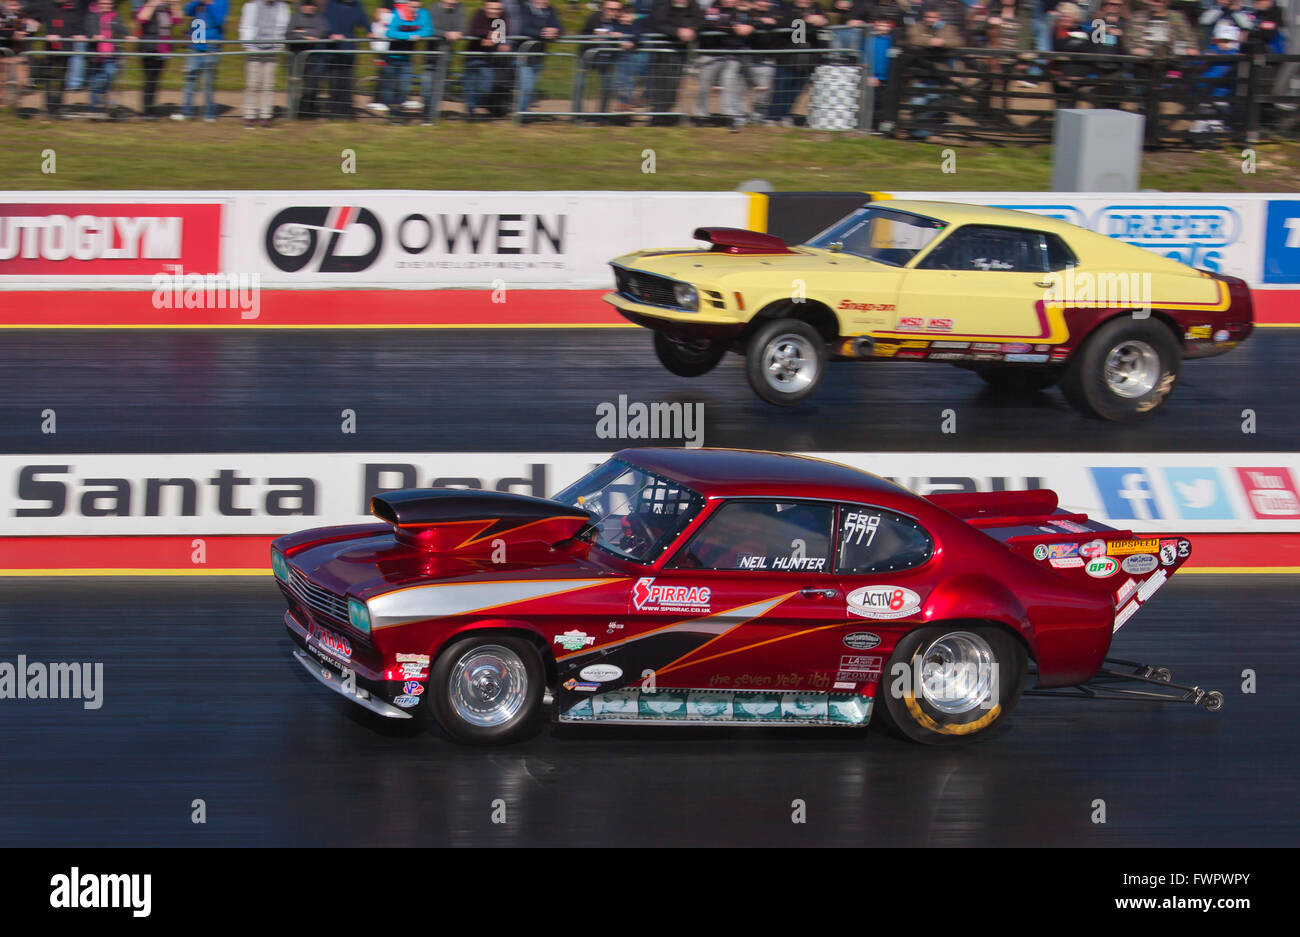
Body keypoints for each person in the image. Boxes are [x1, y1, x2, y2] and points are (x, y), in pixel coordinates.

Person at [647, 0, 700, 124]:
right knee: (659, 85)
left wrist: (693, 29)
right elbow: (657, 23)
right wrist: (677, 31)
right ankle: (657, 116)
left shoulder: (693, 5)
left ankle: (666, 114)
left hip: (679, 52)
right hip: (661, 51)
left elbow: (700, 20)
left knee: (672, 85)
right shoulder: (661, 4)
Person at [239, 0, 288, 126]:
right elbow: (245, 26)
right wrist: (247, 45)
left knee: (268, 85)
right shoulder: (251, 6)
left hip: (272, 49)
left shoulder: (282, 7)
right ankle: (249, 115)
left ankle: (265, 116)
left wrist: (278, 46)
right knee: (252, 84)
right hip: (254, 49)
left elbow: (283, 28)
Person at [174, 0, 226, 121]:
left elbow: (219, 20)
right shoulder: (198, 2)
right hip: (195, 45)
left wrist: (209, 4)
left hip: (211, 46)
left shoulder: (222, 2)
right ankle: (187, 112)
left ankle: (209, 115)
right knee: (190, 79)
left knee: (208, 82)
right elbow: (187, 11)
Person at [380, 0, 433, 111]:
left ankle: (398, 111)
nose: (414, 10)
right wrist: (410, 36)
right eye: (412, 6)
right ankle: (391, 112)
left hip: (407, 58)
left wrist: (416, 34)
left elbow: (428, 30)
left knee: (404, 88)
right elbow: (389, 32)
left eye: (417, 6)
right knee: (389, 87)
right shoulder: (398, 12)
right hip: (392, 56)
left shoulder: (423, 13)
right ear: (407, 4)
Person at [463, 0, 512, 117]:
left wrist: (492, 39)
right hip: (473, 55)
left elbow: (505, 31)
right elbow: (473, 30)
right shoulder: (478, 14)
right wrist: (487, 35)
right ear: (485, 8)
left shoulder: (502, 16)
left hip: (488, 58)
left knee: (486, 86)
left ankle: (478, 103)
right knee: (470, 85)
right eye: (491, 9)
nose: (495, 12)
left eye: (497, 9)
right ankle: (470, 113)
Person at [322, 0, 368, 117]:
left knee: (347, 80)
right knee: (335, 81)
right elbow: (325, 22)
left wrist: (370, 30)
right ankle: (335, 110)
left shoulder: (357, 5)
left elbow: (363, 19)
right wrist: (331, 34)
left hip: (348, 49)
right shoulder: (331, 5)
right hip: (333, 49)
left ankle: (346, 109)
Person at [514, 0, 558, 111]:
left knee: (530, 88)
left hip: (539, 56)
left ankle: (523, 111)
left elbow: (558, 27)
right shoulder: (523, 8)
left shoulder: (550, 10)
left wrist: (555, 32)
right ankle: (522, 114)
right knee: (526, 88)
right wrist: (543, 33)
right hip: (524, 55)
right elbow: (523, 28)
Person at [135, 0, 176, 119]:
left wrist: (175, 4)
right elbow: (142, 18)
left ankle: (151, 109)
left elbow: (177, 20)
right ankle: (148, 112)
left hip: (163, 49)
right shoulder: (147, 6)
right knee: (149, 80)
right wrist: (153, 3)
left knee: (155, 81)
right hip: (149, 48)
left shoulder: (166, 9)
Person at [83, 0, 125, 115]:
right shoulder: (91, 16)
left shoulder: (115, 16)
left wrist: (128, 34)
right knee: (93, 82)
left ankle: (101, 98)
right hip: (95, 54)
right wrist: (94, 35)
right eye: (103, 4)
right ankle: (94, 110)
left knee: (109, 72)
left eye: (109, 4)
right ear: (98, 4)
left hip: (110, 54)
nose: (106, 6)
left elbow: (121, 27)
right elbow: (88, 28)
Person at [287, 0, 327, 115]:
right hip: (295, 55)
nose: (308, 8)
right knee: (294, 82)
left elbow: (321, 32)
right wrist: (306, 36)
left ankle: (308, 109)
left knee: (311, 83)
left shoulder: (319, 18)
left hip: (312, 56)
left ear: (314, 7)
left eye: (310, 5)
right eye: (306, 5)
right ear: (301, 6)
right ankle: (293, 109)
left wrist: (300, 31)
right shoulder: (295, 17)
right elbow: (289, 34)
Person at [1129, 0, 1195, 57]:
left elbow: (1188, 38)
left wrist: (1190, 48)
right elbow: (1131, 40)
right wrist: (1136, 49)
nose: (1157, 1)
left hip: (1172, 62)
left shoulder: (1177, 17)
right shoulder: (1137, 17)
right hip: (1143, 62)